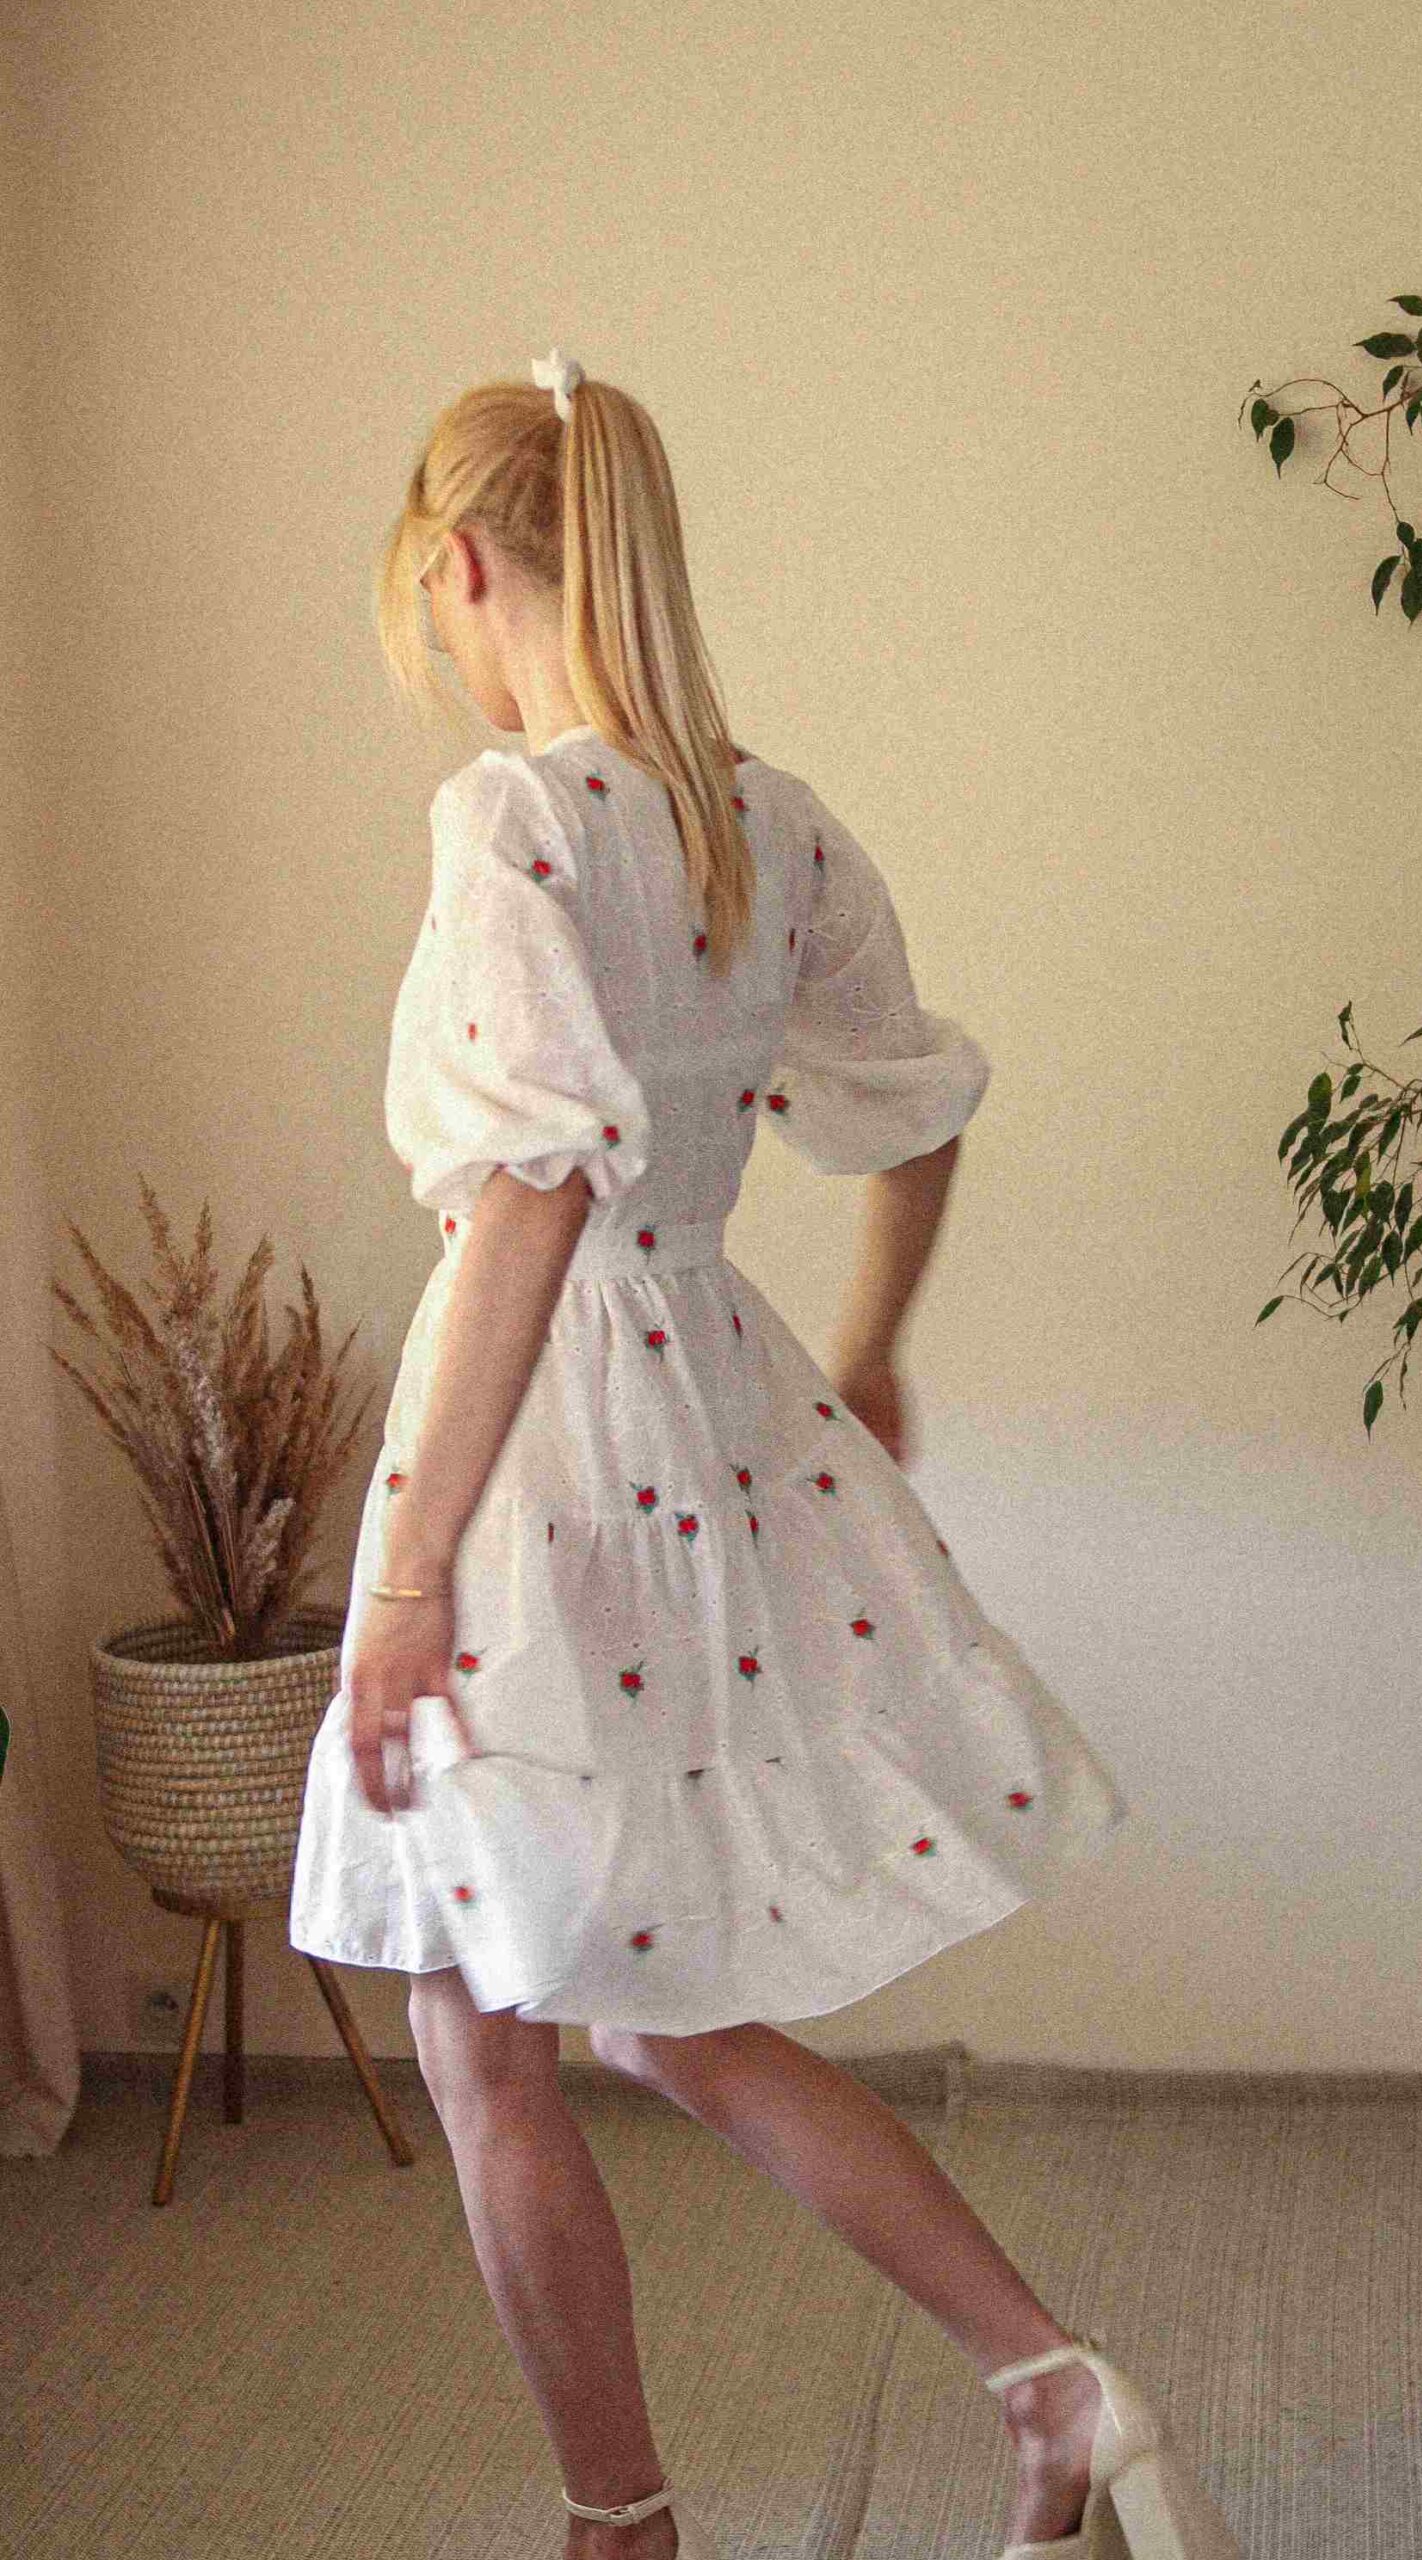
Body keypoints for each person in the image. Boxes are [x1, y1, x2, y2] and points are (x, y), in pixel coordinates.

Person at [287, 348, 1241, 2560]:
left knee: (486, 2022)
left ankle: (619, 2526)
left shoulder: (513, 820)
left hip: (538, 1442)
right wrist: (868, 1352)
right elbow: (912, 1107)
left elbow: (528, 1207)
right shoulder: (763, 821)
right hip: (708, 1403)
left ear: (459, 566)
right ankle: (1056, 2383)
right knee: (654, 2005)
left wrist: (410, 1577)